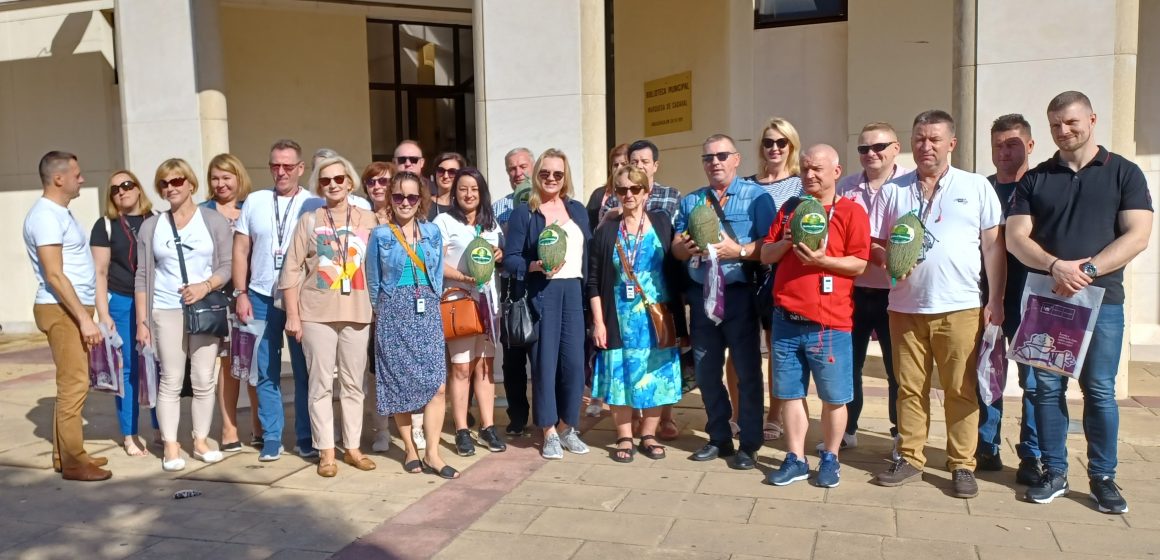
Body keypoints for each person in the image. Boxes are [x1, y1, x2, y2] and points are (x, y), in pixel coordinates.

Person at [1007, 91, 1152, 514]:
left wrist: (1085, 271)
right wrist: (1055, 267)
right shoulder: (1036, 178)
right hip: (1049, 303)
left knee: (1100, 391)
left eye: (1070, 122)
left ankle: (1103, 478)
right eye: (1055, 125)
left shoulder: (1124, 172)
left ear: (1091, 119)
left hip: (1103, 301)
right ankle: (1054, 471)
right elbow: (1017, 238)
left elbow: (1137, 235)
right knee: (1048, 389)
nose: (1063, 131)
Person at [872, 110, 1005, 500]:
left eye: (933, 139)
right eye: (919, 138)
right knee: (908, 388)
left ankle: (962, 464)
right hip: (905, 307)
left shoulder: (976, 186)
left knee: (959, 389)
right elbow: (876, 243)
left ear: (952, 143)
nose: (925, 146)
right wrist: (889, 260)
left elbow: (994, 248)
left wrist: (994, 298)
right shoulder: (894, 190)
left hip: (960, 306)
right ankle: (910, 456)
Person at [761, 145, 870, 488]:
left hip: (830, 324)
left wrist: (822, 262)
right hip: (786, 319)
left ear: (836, 172)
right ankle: (795, 457)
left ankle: (831, 457)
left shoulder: (851, 212)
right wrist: (786, 242)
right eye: (805, 168)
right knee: (790, 393)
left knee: (834, 397)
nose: (809, 175)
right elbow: (765, 253)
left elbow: (859, 263)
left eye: (817, 169)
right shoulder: (789, 209)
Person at [672, 134, 776, 470]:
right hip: (703, 298)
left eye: (721, 156)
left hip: (739, 296)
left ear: (736, 159)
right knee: (705, 370)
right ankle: (718, 436)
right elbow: (675, 246)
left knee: (746, 372)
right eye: (708, 158)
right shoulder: (691, 202)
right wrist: (682, 248)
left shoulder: (757, 198)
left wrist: (740, 251)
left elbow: (770, 248)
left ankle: (749, 442)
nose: (714, 162)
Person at [280, 155, 377, 477]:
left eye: (339, 179)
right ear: (318, 186)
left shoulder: (369, 219)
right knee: (320, 385)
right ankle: (326, 452)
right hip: (315, 314)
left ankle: (352, 447)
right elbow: (291, 269)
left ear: (350, 182)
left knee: (354, 384)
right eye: (326, 180)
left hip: (357, 312)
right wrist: (292, 315)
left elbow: (379, 266)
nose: (333, 185)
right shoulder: (310, 219)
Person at [134, 158, 233, 472]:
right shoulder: (152, 226)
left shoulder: (212, 220)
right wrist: (142, 322)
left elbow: (227, 266)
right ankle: (172, 444)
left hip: (203, 307)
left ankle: (200, 440)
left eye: (177, 181)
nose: (170, 187)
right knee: (171, 379)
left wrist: (205, 286)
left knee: (204, 378)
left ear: (190, 183)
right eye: (164, 183)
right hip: (166, 308)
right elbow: (142, 277)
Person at [588, 165, 687, 462]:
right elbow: (593, 280)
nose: (628, 195)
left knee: (654, 374)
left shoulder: (660, 222)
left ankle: (649, 433)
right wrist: (598, 322)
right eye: (622, 190)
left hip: (656, 314)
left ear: (647, 191)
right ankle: (624, 436)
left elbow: (676, 263)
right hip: (618, 314)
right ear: (614, 192)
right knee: (621, 374)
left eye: (635, 189)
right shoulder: (607, 230)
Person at [24, 151, 110, 481]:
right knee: (73, 383)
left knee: (74, 383)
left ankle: (67, 454)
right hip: (61, 310)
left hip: (71, 308)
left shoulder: (60, 213)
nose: (82, 179)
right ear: (59, 178)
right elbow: (55, 275)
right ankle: (74, 462)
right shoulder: (45, 216)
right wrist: (84, 319)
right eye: (77, 174)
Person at [367, 171, 459, 478]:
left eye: (411, 196)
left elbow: (435, 271)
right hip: (393, 311)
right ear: (390, 200)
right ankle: (409, 448)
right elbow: (373, 280)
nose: (405, 202)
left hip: (427, 309)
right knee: (398, 385)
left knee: (437, 384)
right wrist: (378, 312)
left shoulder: (432, 231)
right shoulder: (380, 235)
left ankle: (432, 453)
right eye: (398, 196)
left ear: (421, 199)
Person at [503, 149, 593, 460]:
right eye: (545, 173)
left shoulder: (578, 211)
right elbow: (510, 259)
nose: (551, 179)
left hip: (573, 293)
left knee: (573, 365)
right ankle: (548, 429)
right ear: (537, 175)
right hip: (543, 293)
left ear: (565, 176)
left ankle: (569, 426)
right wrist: (533, 266)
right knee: (545, 365)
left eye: (558, 174)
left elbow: (587, 256)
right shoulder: (525, 213)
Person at [233, 139, 317, 461]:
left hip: (301, 298)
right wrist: (241, 293)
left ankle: (306, 436)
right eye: (274, 166)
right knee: (265, 369)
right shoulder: (254, 201)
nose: (280, 172)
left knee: (304, 370)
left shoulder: (313, 203)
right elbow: (241, 250)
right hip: (260, 295)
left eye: (287, 166)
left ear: (300, 168)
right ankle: (271, 437)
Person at [834, 122, 910, 457]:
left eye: (879, 147)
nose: (871, 154)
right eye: (864, 149)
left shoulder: (911, 183)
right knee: (849, 366)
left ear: (896, 147)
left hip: (896, 294)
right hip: (853, 291)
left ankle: (899, 435)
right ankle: (847, 429)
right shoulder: (847, 186)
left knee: (898, 371)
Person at [975, 113, 1041, 484]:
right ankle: (987, 444)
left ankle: (1031, 454)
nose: (1004, 151)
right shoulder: (981, 189)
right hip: (982, 297)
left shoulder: (1042, 186)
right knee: (986, 373)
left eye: (1012, 143)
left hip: (1032, 298)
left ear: (1030, 146)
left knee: (1033, 381)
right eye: (998, 144)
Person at [433, 168, 508, 456]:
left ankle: (488, 427)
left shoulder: (491, 224)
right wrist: (464, 279)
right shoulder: (444, 221)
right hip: (459, 301)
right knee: (462, 367)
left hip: (488, 302)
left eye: (474, 189)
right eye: (463, 189)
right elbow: (436, 263)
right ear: (455, 192)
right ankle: (462, 428)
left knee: (485, 366)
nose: (468, 194)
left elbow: (495, 256)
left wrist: (498, 255)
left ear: (482, 193)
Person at [744, 117, 805, 442]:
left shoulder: (798, 185)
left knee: (775, 347)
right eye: (769, 142)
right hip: (743, 273)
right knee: (742, 348)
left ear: (791, 147)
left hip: (779, 275)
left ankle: (774, 415)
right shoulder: (746, 184)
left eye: (782, 142)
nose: (774, 148)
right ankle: (741, 412)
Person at [91, 169, 159, 457]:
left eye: (127, 185)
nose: (122, 191)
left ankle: (160, 430)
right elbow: (100, 272)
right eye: (115, 189)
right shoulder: (105, 225)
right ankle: (130, 434)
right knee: (128, 370)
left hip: (156, 302)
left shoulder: (156, 220)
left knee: (160, 366)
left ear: (138, 188)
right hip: (121, 302)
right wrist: (103, 314)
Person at [201, 153, 260, 452]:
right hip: (217, 297)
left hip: (253, 295)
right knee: (228, 365)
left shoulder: (253, 207)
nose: (221, 183)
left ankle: (259, 426)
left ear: (239, 178)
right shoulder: (201, 212)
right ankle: (229, 427)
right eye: (215, 177)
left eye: (227, 177)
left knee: (255, 362)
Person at [493, 146, 534, 436]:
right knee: (513, 359)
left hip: (543, 286)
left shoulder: (550, 202)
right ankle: (517, 416)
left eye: (523, 166)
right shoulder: (498, 209)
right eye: (512, 168)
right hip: (511, 289)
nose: (518, 173)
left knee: (544, 358)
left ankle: (549, 416)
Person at [362, 161, 397, 453]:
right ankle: (382, 430)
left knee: (406, 367)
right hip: (369, 306)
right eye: (372, 182)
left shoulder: (404, 216)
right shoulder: (359, 218)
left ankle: (416, 427)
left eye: (383, 182)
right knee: (375, 372)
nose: (377, 187)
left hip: (401, 305)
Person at [585, 144, 628, 227]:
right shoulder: (598, 194)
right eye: (615, 165)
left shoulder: (636, 192)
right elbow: (588, 225)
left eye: (624, 164)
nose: (619, 168)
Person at [430, 152, 466, 219]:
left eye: (452, 172)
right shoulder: (423, 204)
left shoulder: (465, 204)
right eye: (441, 171)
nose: (445, 176)